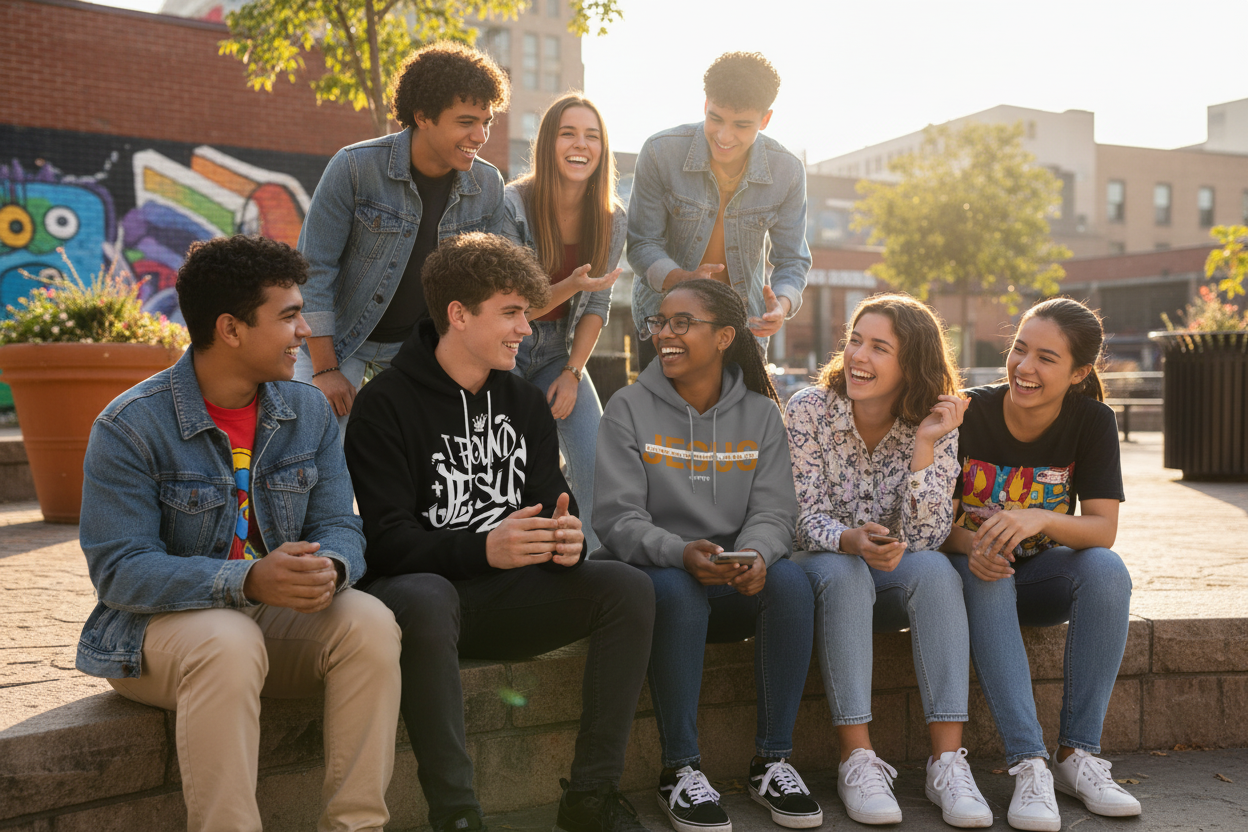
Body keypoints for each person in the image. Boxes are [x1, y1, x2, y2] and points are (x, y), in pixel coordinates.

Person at [76, 235, 402, 832]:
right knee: (228, 639)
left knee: (371, 622)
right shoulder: (130, 426)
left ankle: (357, 826)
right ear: (230, 329)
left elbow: (339, 525)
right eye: (289, 315)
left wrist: (328, 567)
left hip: (267, 623)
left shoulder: (307, 413)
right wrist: (248, 577)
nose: (305, 331)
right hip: (158, 635)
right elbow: (121, 570)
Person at [343, 232, 655, 832]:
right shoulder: (385, 404)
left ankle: (590, 797)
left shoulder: (525, 404)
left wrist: (567, 543)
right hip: (423, 606)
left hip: (508, 598)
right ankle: (457, 815)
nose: (526, 330)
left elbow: (548, 507)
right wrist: (482, 547)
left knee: (627, 588)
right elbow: (383, 541)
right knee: (427, 595)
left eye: (527, 315)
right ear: (458, 315)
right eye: (511, 313)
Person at [594, 277, 821, 832]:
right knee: (676, 590)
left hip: (732, 573)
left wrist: (756, 555)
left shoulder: (763, 416)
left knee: (791, 584)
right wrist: (677, 551)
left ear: (724, 337)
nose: (663, 335)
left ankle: (772, 761)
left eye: (680, 323)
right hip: (659, 575)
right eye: (658, 323)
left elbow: (774, 512)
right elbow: (617, 519)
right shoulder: (627, 408)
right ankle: (681, 769)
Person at [785, 294, 991, 828]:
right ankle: (857, 759)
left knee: (939, 572)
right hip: (822, 561)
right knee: (846, 572)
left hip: (896, 563)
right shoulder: (809, 409)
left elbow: (926, 536)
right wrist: (849, 538)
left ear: (912, 365)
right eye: (856, 340)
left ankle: (946, 763)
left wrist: (925, 444)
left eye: (880, 347)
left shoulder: (935, 424)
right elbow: (800, 517)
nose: (859, 355)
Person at [942, 297, 1140, 831]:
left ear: (1079, 373)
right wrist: (974, 543)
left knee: (1106, 570)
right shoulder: (970, 412)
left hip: (1041, 578)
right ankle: (1028, 762)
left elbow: (1102, 528)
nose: (1024, 368)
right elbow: (925, 526)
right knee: (987, 572)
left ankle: (1077, 757)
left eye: (1046, 359)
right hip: (970, 573)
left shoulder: (1092, 420)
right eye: (1019, 349)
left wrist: (1037, 518)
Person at [295, 41, 510, 432]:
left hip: (418, 349)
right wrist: (325, 368)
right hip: (340, 342)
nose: (481, 136)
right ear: (423, 115)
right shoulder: (355, 168)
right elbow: (314, 269)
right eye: (466, 122)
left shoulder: (488, 184)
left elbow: (487, 287)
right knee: (315, 445)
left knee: (429, 463)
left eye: (487, 122)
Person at [626, 51, 810, 368]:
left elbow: (792, 259)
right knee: (664, 418)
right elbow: (642, 243)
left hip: (743, 326)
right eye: (716, 118)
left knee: (738, 419)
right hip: (664, 320)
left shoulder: (788, 172)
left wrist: (781, 306)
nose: (724, 136)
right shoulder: (660, 152)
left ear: (765, 119)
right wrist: (684, 280)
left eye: (741, 125)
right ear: (705, 105)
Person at [501, 92, 625, 554]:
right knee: (510, 463)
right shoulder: (512, 204)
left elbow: (598, 306)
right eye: (568, 133)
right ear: (548, 142)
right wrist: (573, 285)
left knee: (595, 460)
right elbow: (509, 308)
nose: (581, 144)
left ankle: (591, 566)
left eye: (592, 136)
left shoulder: (613, 218)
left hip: (558, 350)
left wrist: (572, 372)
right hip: (503, 348)